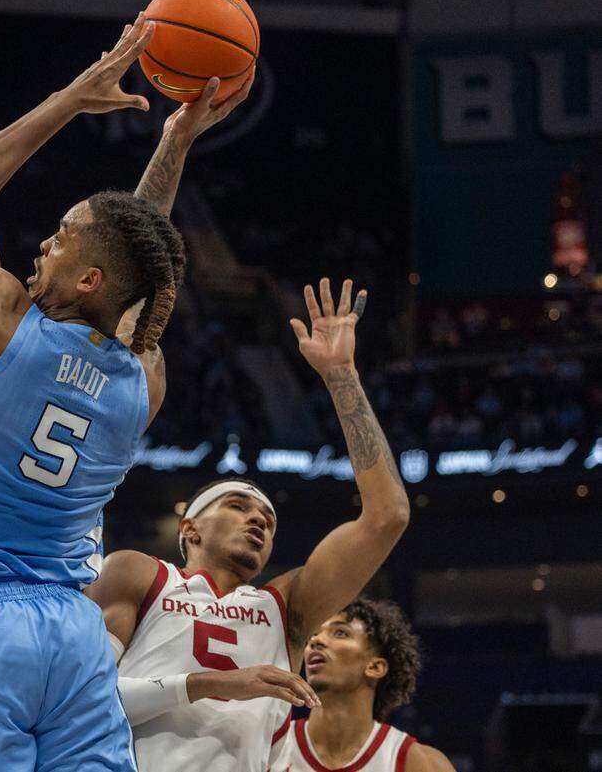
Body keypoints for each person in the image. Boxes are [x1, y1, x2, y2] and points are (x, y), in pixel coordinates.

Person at [0, 13, 256, 772]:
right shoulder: (143, 380)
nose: (44, 243)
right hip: (76, 633)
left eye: (61, 236)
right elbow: (139, 262)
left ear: (90, 279)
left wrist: (70, 98)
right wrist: (173, 142)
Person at [86, 278, 411, 771]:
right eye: (238, 506)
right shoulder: (138, 574)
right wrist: (206, 685)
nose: (258, 520)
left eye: (268, 519)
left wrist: (342, 375)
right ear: (190, 528)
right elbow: (79, 700)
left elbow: (388, 517)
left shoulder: (286, 608)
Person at [275, 598, 454, 771]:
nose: (315, 641)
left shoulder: (420, 764)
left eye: (340, 633)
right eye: (314, 633)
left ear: (375, 667)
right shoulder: (271, 747)